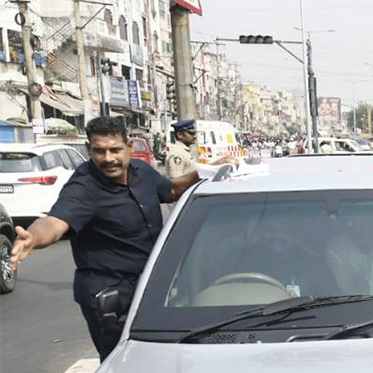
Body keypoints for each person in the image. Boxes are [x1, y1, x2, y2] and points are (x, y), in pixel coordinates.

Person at [6, 116, 231, 359]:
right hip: (110, 296)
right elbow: (56, 222)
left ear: (129, 148)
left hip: (149, 288)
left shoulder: (141, 172)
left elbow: (171, 190)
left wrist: (207, 171)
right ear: (89, 149)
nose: (108, 158)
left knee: (162, 360)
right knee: (122, 362)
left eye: (115, 150)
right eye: (99, 151)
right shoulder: (84, 186)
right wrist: (33, 238)